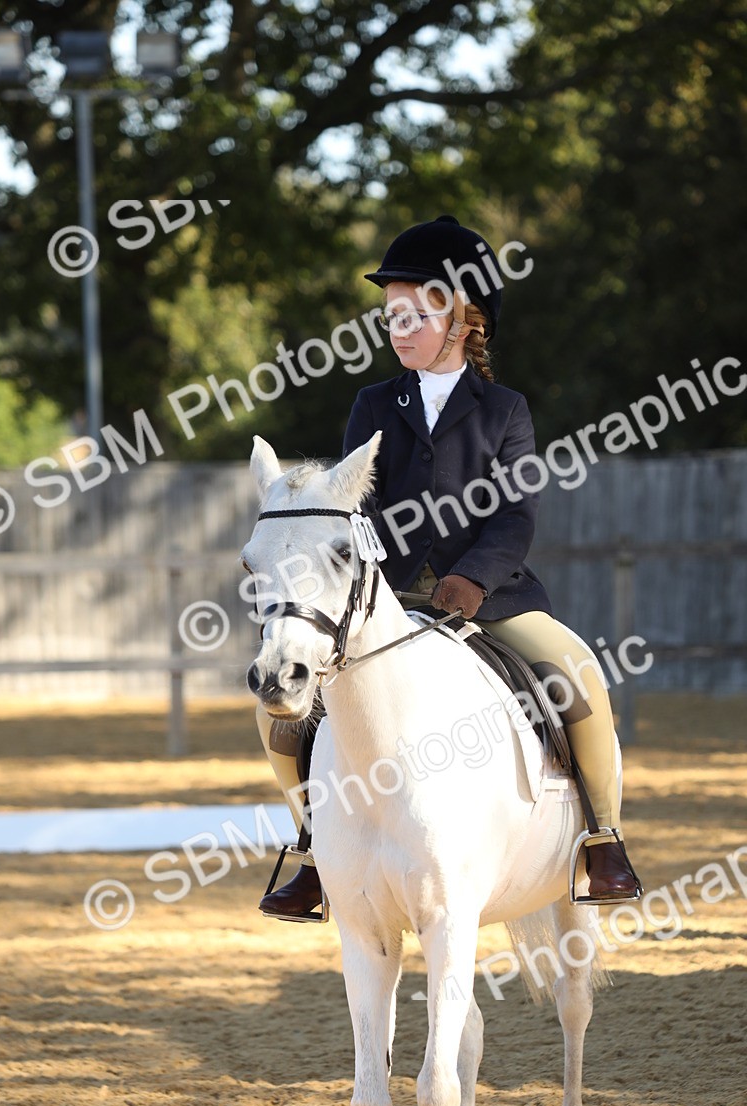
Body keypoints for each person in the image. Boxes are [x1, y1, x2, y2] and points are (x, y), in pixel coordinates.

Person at [257, 214, 642, 919]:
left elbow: (516, 514)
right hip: (386, 600)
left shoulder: (504, 411)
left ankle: (603, 840)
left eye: (413, 314)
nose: (397, 328)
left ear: (463, 319)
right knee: (283, 716)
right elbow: (353, 509)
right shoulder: (372, 404)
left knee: (578, 675)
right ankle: (314, 849)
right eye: (391, 316)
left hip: (491, 596)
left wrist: (473, 578)